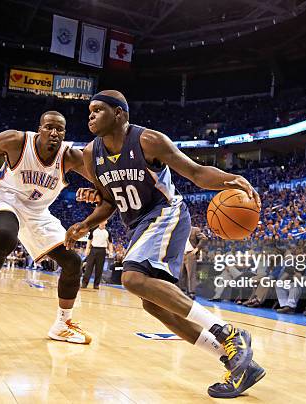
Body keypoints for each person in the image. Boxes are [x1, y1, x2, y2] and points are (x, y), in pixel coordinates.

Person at [65, 90, 265, 398]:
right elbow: (108, 202)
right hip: (137, 225)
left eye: (98, 110)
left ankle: (229, 333)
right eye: (89, 111)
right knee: (153, 304)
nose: (90, 116)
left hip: (166, 212)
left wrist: (230, 179)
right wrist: (84, 224)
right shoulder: (91, 155)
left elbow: (196, 173)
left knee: (132, 278)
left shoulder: (149, 141)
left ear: (120, 114)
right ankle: (236, 363)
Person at [0, 111, 92, 344]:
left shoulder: (71, 156)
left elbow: (100, 181)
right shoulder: (17, 141)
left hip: (37, 212)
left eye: (60, 129)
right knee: (5, 235)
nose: (54, 133)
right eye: (49, 127)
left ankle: (62, 324)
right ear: (40, 128)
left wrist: (94, 192)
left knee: (72, 262)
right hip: (2, 199)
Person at [81, 221, 113, 289]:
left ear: (106, 222)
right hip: (93, 250)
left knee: (99, 269)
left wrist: (111, 252)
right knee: (88, 267)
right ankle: (84, 283)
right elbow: (89, 240)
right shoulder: (93, 230)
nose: (101, 222)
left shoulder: (108, 231)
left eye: (103, 221)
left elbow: (110, 243)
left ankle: (96, 285)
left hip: (102, 251)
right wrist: (87, 249)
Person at [180, 226, 207, 300]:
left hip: (190, 254)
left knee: (191, 274)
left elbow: (204, 238)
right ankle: (183, 291)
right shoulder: (182, 230)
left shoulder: (195, 229)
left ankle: (191, 292)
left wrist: (197, 249)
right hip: (182, 254)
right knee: (182, 274)